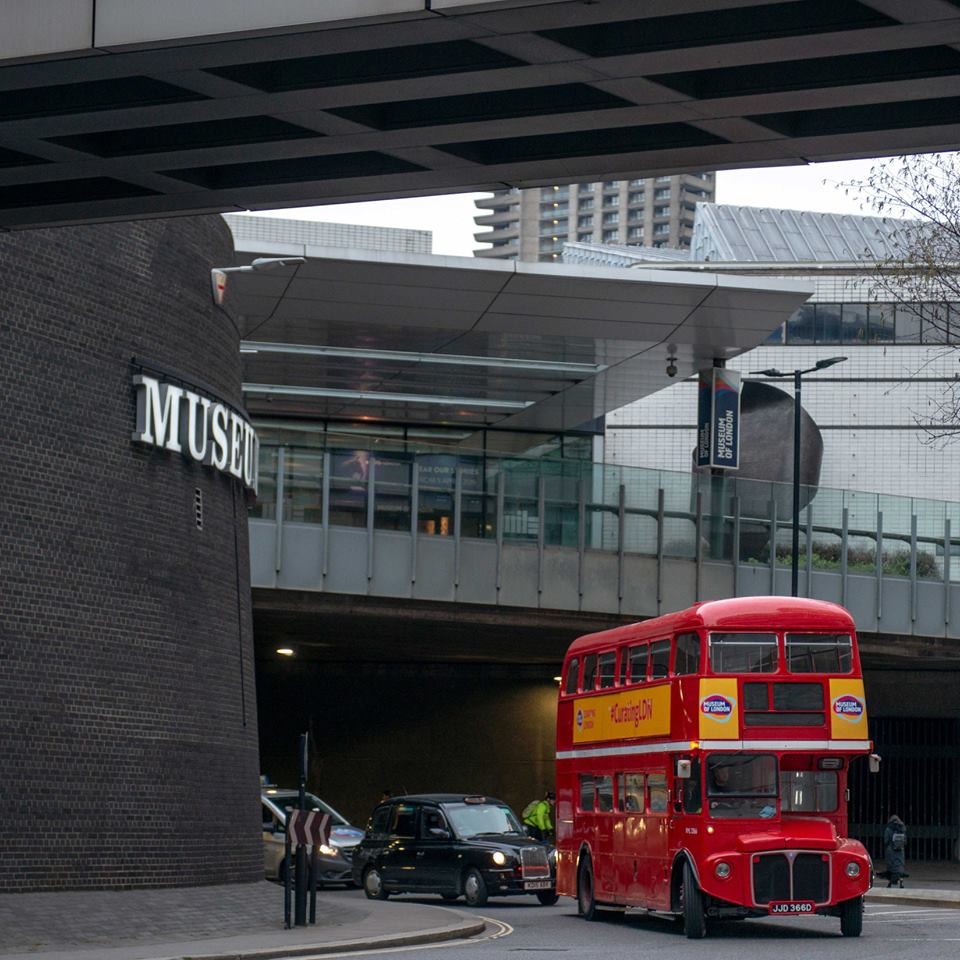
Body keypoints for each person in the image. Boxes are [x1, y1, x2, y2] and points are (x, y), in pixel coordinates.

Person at [883, 814, 908, 888]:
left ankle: (890, 882)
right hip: (900, 851)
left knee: (891, 866)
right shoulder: (902, 828)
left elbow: (886, 841)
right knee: (900, 866)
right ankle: (901, 881)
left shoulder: (888, 829)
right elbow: (905, 841)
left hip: (891, 851)